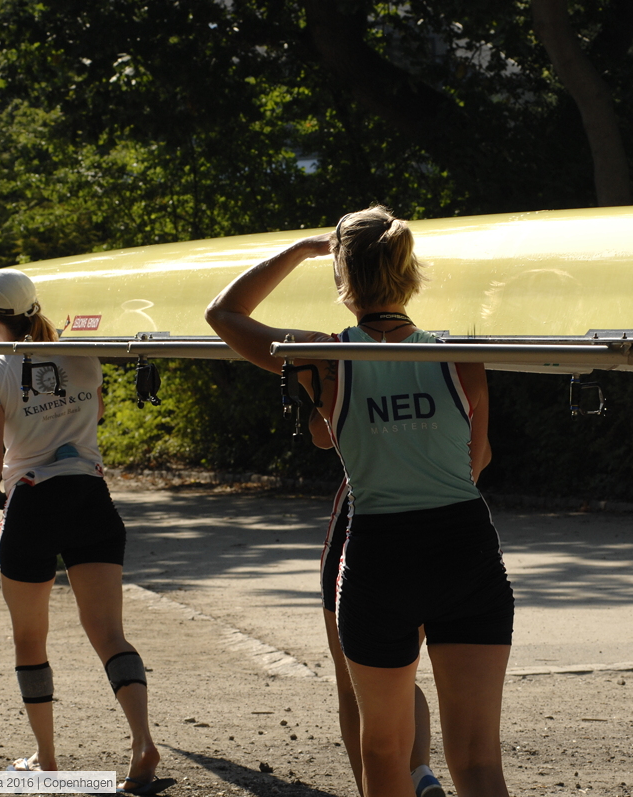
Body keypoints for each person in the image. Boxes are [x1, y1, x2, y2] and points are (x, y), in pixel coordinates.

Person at [206, 206, 514, 797]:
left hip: (380, 553)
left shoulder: (325, 357)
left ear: (344, 281)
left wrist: (300, 249)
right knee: (478, 761)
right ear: (409, 273)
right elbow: (478, 460)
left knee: (384, 749)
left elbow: (223, 314)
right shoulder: (458, 354)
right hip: (465, 547)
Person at [0, 269, 161, 795]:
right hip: (89, 496)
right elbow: (91, 412)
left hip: (31, 502)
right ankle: (142, 742)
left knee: (30, 638)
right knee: (109, 633)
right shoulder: (82, 355)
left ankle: (47, 761)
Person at [310, 413, 444, 797]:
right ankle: (419, 770)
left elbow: (322, 435)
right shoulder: (448, 355)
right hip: (445, 516)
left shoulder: (351, 354)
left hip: (364, 521)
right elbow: (480, 454)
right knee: (402, 674)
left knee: (358, 683)